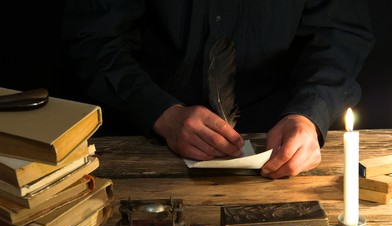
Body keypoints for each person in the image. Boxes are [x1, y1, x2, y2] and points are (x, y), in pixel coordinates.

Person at [62, 0, 374, 179]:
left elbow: (341, 35)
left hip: (276, 148)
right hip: (141, 143)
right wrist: (160, 112)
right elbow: (95, 39)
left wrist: (309, 114)